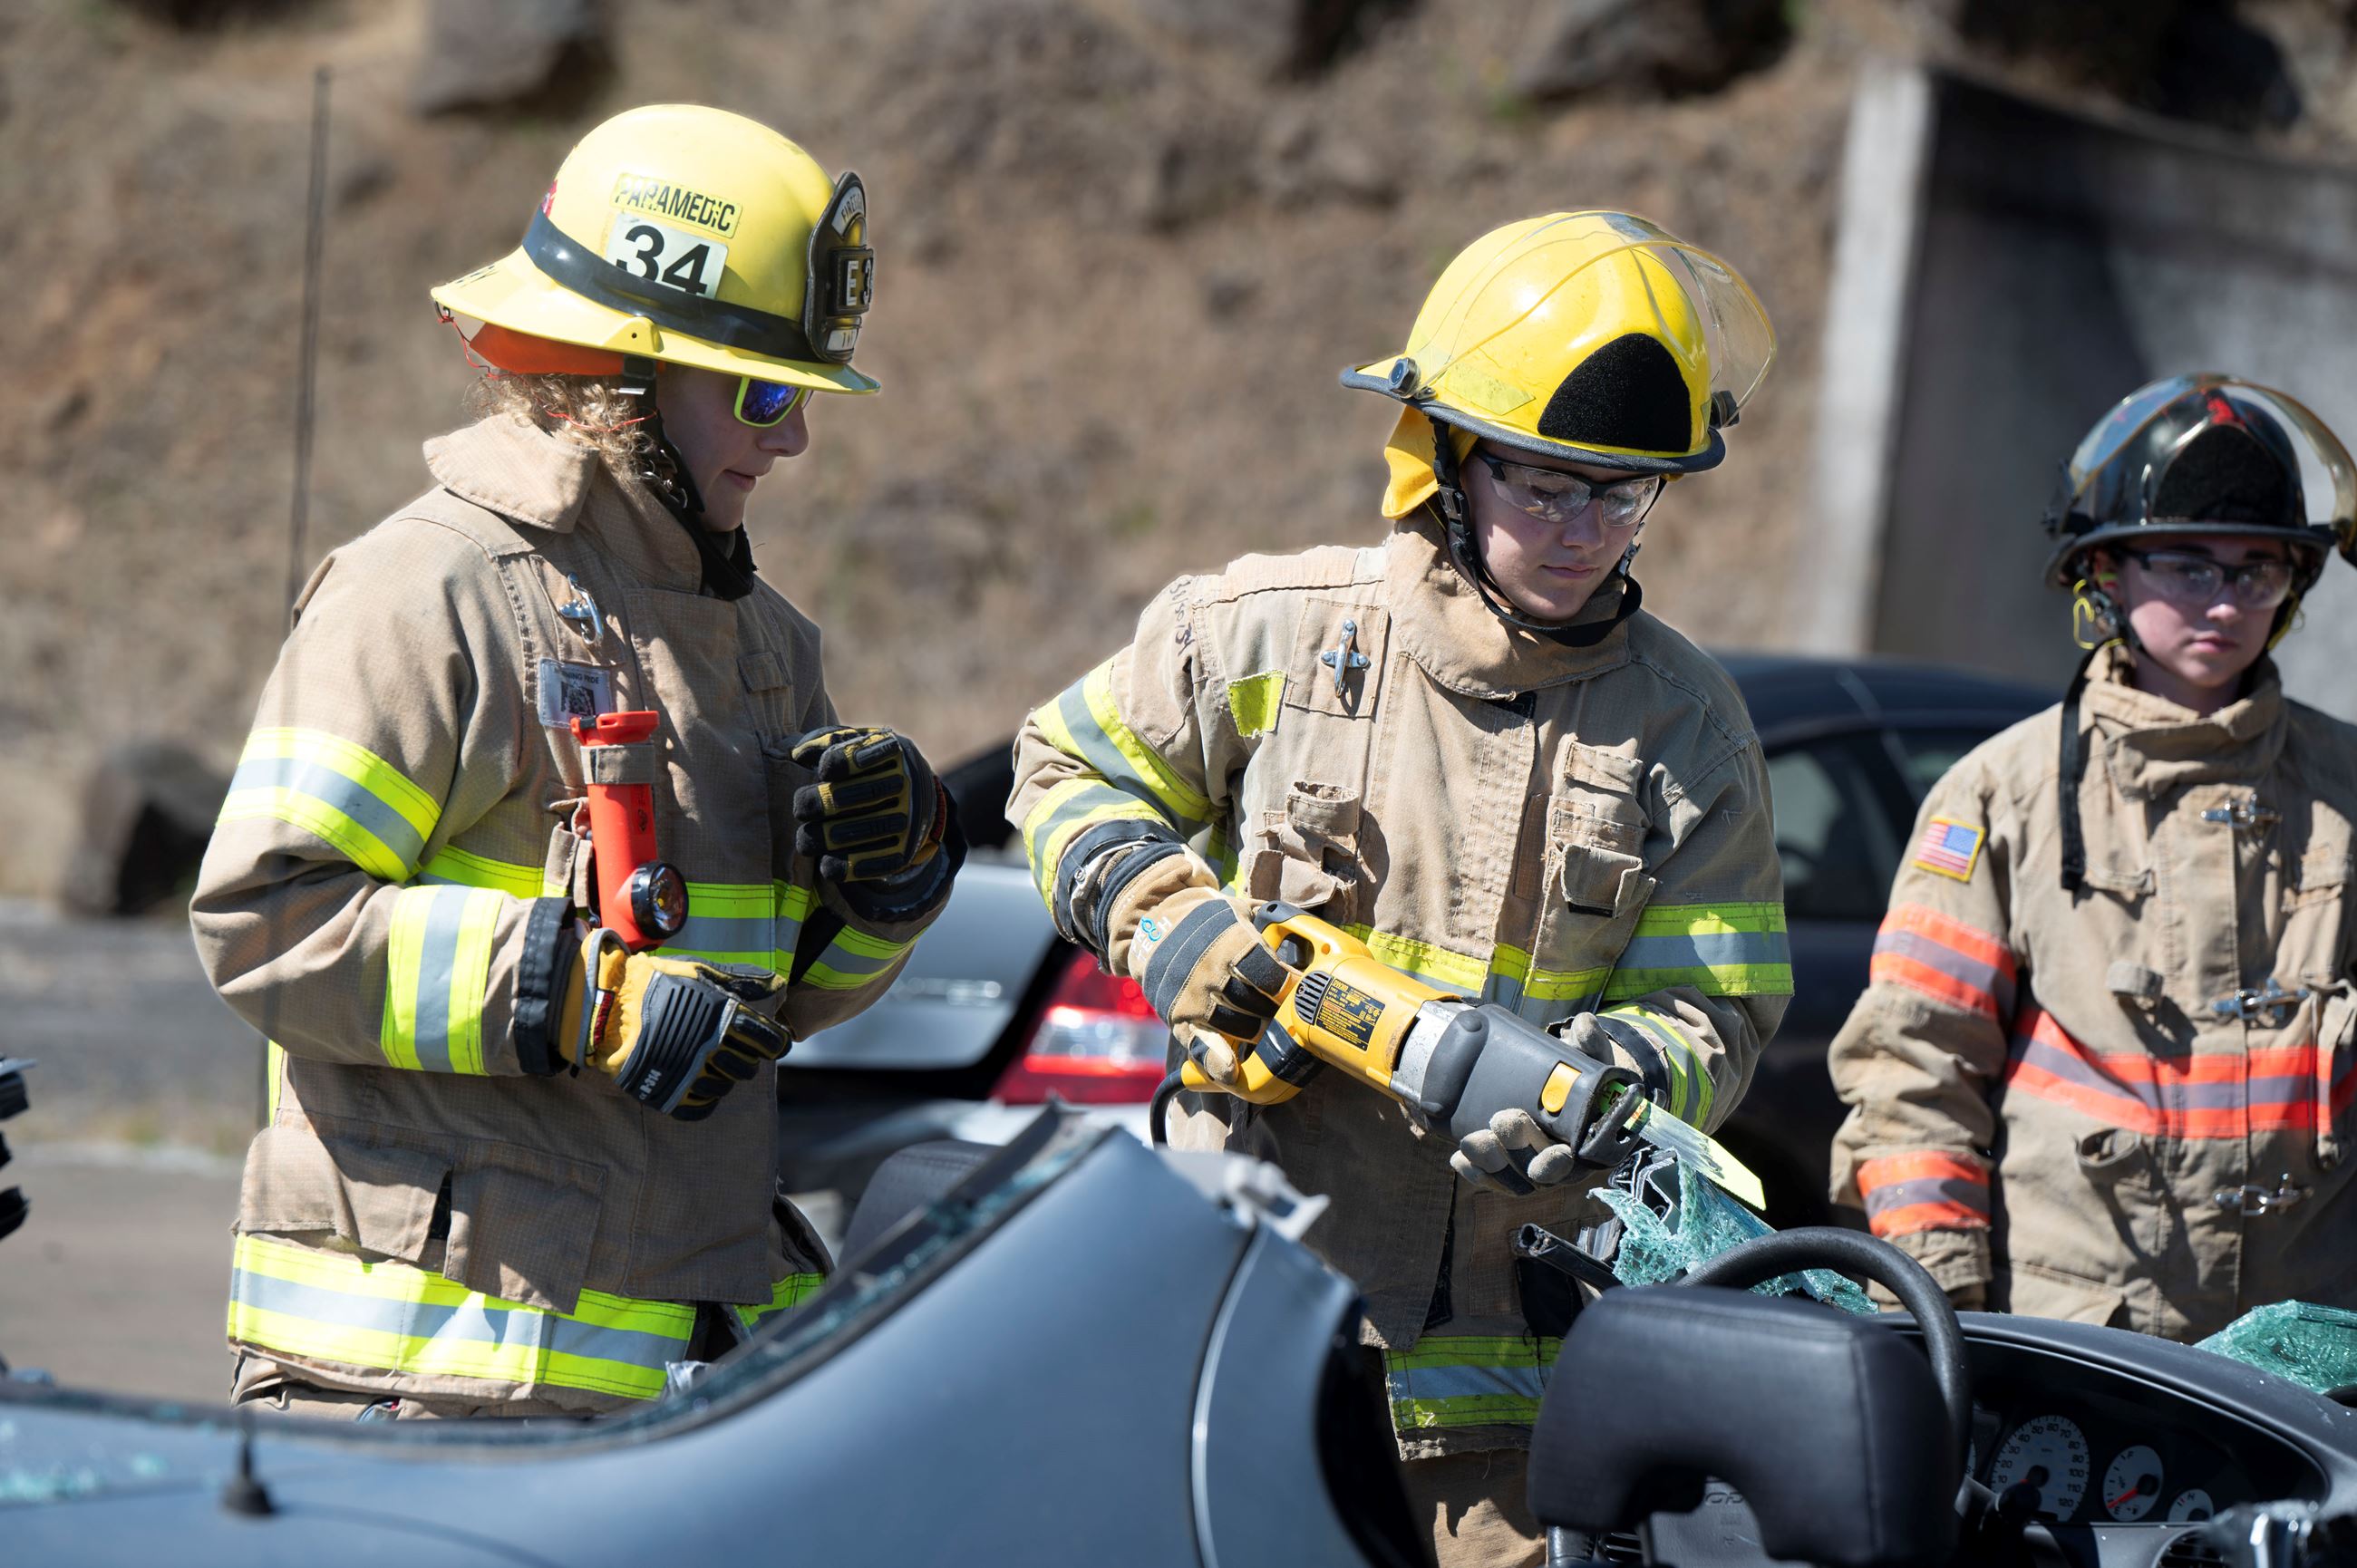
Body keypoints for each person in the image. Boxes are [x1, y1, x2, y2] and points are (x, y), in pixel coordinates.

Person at [1007, 211, 1790, 1563]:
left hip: (1507, 1398)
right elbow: (1063, 768)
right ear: (1443, 456)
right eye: (1545, 484)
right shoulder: (1269, 631)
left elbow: (1716, 1008)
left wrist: (1593, 1087)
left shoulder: (1689, 728)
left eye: (1623, 493)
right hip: (1238, 1333)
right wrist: (1174, 923)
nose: (1583, 530)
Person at [192, 103, 959, 1419]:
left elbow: (773, 1007)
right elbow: (268, 923)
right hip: (422, 1399)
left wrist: (882, 896)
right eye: (764, 394)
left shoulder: (764, 646)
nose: (791, 441)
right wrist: (576, 998)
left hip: (672, 1400)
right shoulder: (426, 592)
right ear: (621, 376)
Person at [1828, 374, 2357, 1338]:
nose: (2224, 601)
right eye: (2186, 565)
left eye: (2256, 568)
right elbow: (1912, 1069)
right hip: (2080, 1345)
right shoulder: (2003, 794)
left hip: (2315, 1348)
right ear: (2105, 573)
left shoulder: (2343, 790)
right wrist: (1939, 1319)